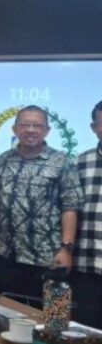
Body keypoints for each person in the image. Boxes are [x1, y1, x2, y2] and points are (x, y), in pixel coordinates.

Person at [0, 105, 82, 300]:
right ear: (15, 129)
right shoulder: (3, 160)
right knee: (5, 311)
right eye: (25, 125)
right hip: (6, 255)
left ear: (47, 130)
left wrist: (66, 249)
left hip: (47, 258)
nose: (31, 130)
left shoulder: (62, 162)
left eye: (37, 125)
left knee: (52, 314)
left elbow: (70, 208)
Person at [72, 100, 102, 328]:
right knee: (83, 330)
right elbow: (69, 208)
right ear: (93, 127)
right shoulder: (80, 162)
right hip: (85, 262)